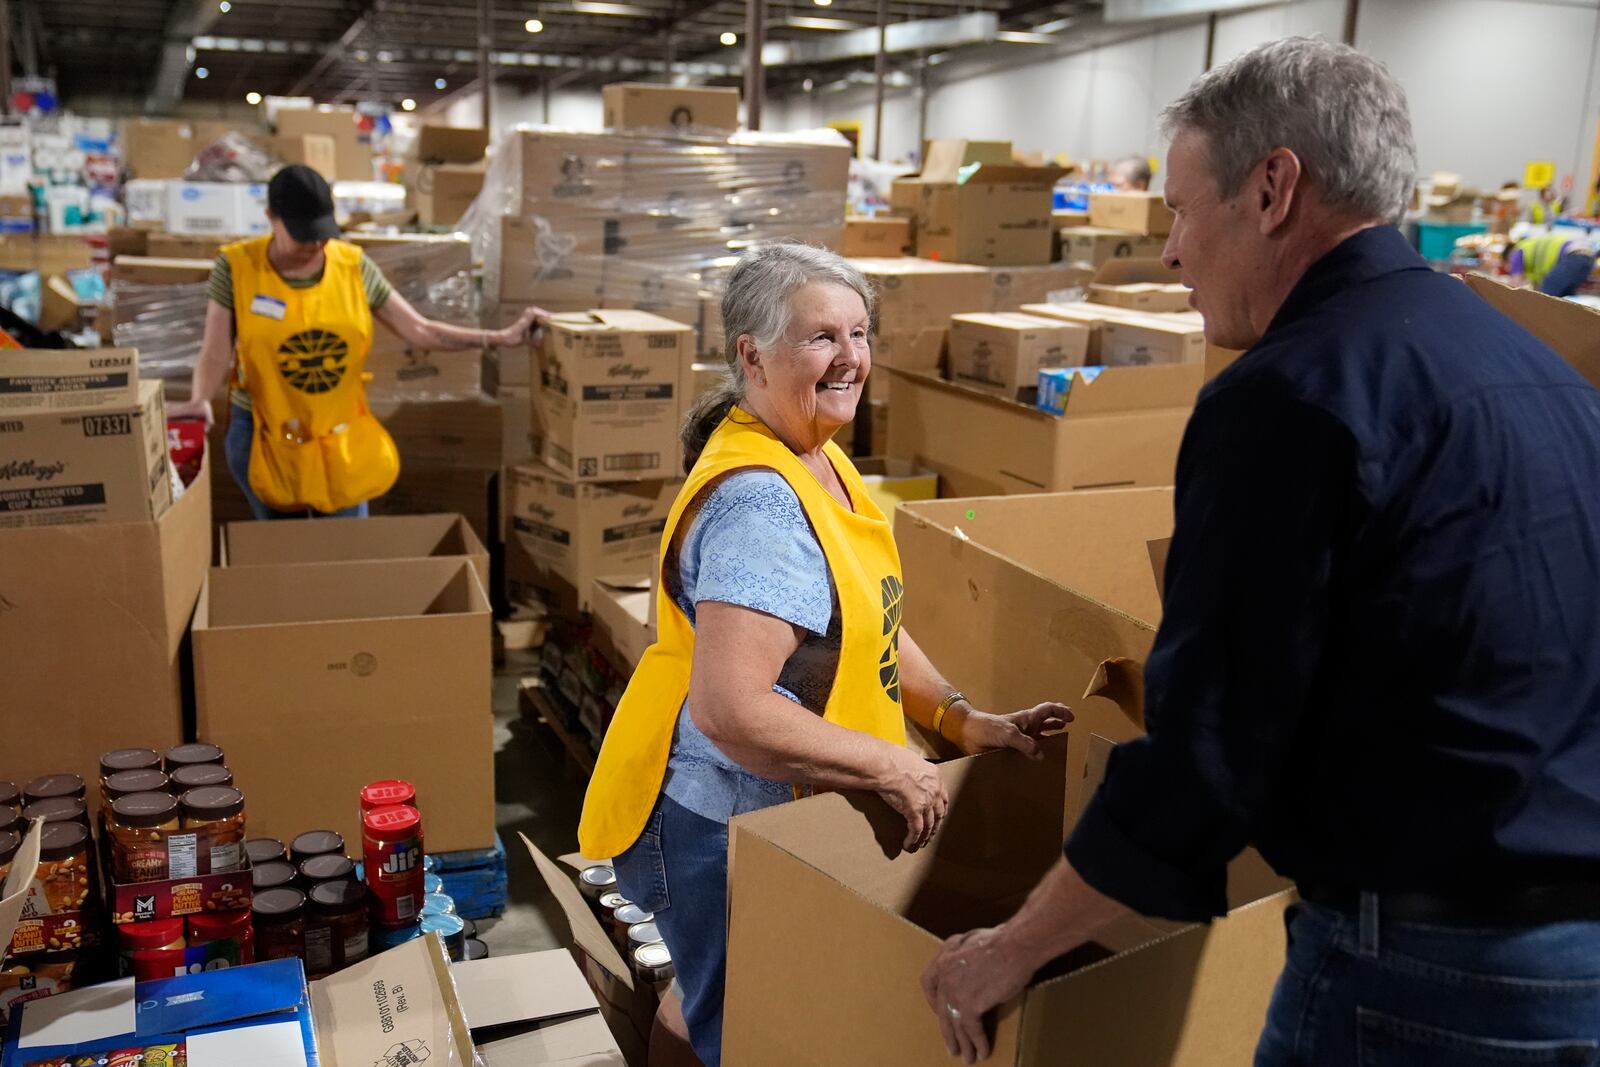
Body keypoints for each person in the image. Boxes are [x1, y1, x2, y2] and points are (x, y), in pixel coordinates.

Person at [921, 37, 1600, 1065]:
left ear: (1273, 187)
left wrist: (1007, 950)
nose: (1171, 252)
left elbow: (1209, 750)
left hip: (1422, 971)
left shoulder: (1292, 396)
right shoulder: (1536, 371)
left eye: (1183, 211)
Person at [576, 243, 1070, 1067]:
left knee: (714, 1000)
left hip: (753, 808)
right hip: (720, 822)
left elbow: (863, 616)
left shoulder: (813, 453)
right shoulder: (763, 500)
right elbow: (732, 708)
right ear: (752, 355)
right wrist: (890, 764)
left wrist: (957, 714)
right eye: (821, 339)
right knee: (744, 1027)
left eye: (860, 333)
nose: (850, 358)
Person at [167, 165, 545, 520]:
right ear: (270, 218)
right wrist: (201, 397)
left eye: (321, 231)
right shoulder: (237, 267)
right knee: (285, 557)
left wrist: (499, 337)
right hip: (264, 438)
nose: (315, 243)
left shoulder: (353, 266)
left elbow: (420, 330)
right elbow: (216, 350)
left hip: (339, 438)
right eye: (302, 232)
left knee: (347, 551)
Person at [1507, 231, 1597, 297]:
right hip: (1587, 258)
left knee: (1546, 298)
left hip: (1574, 257)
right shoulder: (1530, 245)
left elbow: (1515, 286)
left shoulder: (1517, 252)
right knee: (1564, 300)